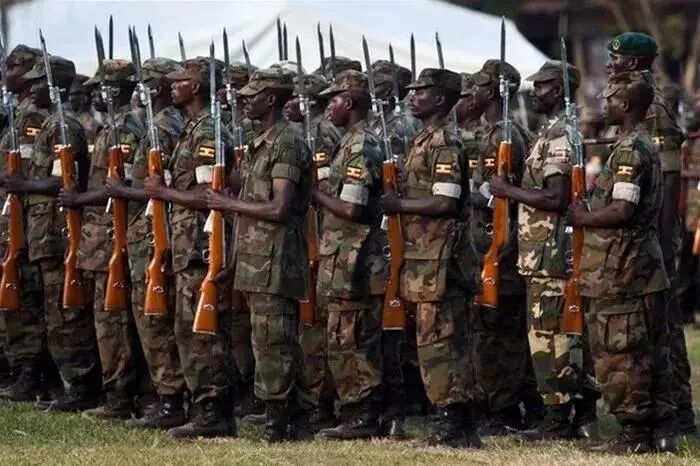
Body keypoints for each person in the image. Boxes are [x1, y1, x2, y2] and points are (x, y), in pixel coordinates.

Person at [488, 60, 599, 441]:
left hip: (550, 250)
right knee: (552, 333)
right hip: (538, 251)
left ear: (559, 90)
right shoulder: (548, 131)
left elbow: (556, 197)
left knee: (552, 337)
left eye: (542, 86)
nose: (535, 92)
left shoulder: (561, 135)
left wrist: (508, 190)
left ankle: (559, 418)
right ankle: (577, 413)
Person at [568, 70, 676, 454]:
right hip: (637, 265)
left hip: (623, 267)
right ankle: (660, 430)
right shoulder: (637, 144)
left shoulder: (630, 150)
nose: (603, 104)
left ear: (625, 104)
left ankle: (634, 433)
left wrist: (582, 216)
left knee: (620, 349)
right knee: (648, 349)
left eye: (609, 98)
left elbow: (622, 209)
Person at [205, 67, 311, 442]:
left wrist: (227, 202)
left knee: (274, 341)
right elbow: (249, 207)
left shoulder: (287, 142)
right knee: (263, 340)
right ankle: (282, 414)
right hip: (254, 259)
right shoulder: (259, 143)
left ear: (271, 99)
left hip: (277, 259)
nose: (244, 100)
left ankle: (280, 421)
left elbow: (279, 207)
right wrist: (233, 262)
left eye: (252, 95)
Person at [379, 68, 481, 448]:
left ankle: (452, 424)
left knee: (441, 342)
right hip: (425, 257)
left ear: (440, 98)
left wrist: (399, 204)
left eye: (421, 91)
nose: (412, 96)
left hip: (442, 257)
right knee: (434, 340)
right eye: (412, 90)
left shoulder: (444, 143)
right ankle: (459, 423)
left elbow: (445, 201)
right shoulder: (422, 140)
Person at [606, 31, 694, 436]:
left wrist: (662, 241)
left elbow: (670, 177)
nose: (611, 64)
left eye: (617, 58)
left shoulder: (653, 108)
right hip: (645, 237)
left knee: (664, 326)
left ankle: (678, 413)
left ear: (636, 63)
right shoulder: (634, 103)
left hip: (655, 235)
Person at [0, 54, 100, 410]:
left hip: (57, 231)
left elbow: (64, 181)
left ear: (52, 85)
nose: (30, 87)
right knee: (50, 308)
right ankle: (60, 382)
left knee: (65, 310)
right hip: (40, 229)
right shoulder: (48, 123)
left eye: (37, 81)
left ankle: (80, 384)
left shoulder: (63, 126)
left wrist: (22, 185)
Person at [143, 57, 234, 438]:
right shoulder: (191, 128)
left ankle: (213, 411)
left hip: (200, 244)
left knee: (201, 330)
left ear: (196, 87)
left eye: (180, 80)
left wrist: (164, 192)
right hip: (183, 244)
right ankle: (197, 405)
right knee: (185, 327)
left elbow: (208, 195)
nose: (172, 86)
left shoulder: (209, 131)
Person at [103, 57, 187, 429]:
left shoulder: (164, 128)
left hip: (154, 233)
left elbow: (159, 189)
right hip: (145, 232)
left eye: (150, 83)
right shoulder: (158, 125)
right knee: (151, 319)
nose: (144, 90)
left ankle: (169, 401)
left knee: (155, 319)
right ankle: (163, 397)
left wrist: (123, 191)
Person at [58, 59, 146, 418]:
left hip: (113, 231)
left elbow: (120, 186)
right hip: (98, 233)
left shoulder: (126, 128)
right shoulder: (112, 126)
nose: (93, 92)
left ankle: (120, 395)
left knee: (112, 318)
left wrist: (79, 199)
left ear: (116, 90)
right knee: (106, 315)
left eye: (100, 87)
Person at [306, 70, 386, 439]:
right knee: (341, 335)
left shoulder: (360, 145)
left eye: (333, 101)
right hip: (341, 256)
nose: (328, 109)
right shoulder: (348, 142)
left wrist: (315, 193)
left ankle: (363, 414)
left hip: (355, 258)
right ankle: (352, 410)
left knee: (354, 337)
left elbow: (352, 208)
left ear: (349, 102)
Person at [468, 58, 544, 434]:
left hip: (502, 246)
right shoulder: (502, 131)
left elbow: (499, 195)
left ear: (495, 91)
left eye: (480, 86)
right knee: (499, 329)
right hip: (495, 245)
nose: (473, 92)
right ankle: (517, 402)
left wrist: (461, 195)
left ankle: (505, 409)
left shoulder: (504, 136)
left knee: (498, 332)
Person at [284, 71, 342, 431]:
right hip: (308, 235)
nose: (289, 103)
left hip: (322, 236)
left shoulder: (322, 134)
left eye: (295, 97)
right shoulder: (302, 132)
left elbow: (326, 188)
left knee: (317, 326)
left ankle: (320, 400)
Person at [0, 46, 51, 403]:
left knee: (25, 294)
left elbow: (31, 171)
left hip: (26, 216)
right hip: (10, 213)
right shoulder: (16, 113)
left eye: (12, 67)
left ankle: (31, 370)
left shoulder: (33, 118)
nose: (6, 74)